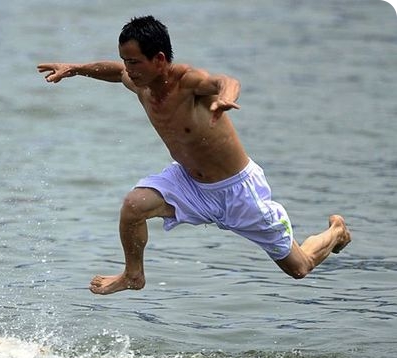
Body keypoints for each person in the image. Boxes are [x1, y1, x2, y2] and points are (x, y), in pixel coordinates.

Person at [37, 15, 351, 295]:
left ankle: (336, 231)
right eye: (126, 61)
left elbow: (226, 81)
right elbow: (115, 72)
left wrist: (225, 98)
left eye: (134, 62)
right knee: (133, 206)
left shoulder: (187, 82)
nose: (129, 70)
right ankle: (133, 275)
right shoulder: (140, 84)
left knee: (299, 267)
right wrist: (75, 69)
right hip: (189, 183)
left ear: (159, 59)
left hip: (238, 192)